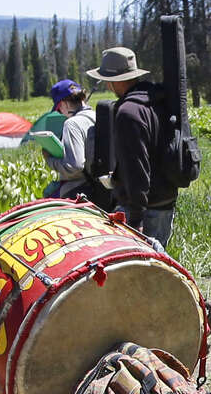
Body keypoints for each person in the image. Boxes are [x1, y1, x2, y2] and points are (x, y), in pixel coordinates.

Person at [85, 47, 178, 246]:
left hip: (143, 210)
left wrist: (136, 220)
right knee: (158, 269)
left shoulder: (128, 113)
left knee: (139, 273)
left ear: (112, 81)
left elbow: (137, 168)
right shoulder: (157, 101)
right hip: (165, 202)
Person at [41, 79, 112, 209]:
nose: (60, 112)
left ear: (64, 104)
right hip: (105, 191)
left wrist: (50, 160)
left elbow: (74, 166)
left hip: (80, 192)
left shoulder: (72, 124)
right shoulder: (96, 116)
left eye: (58, 109)